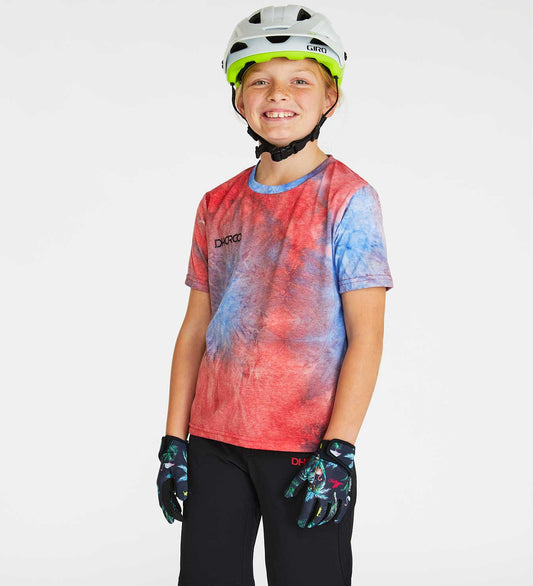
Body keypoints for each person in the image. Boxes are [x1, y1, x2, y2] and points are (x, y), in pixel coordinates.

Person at [157, 5, 394, 585]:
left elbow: (366, 336)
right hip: (214, 441)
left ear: (330, 97)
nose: (278, 94)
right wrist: (173, 439)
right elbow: (195, 330)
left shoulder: (348, 199)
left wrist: (339, 449)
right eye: (259, 80)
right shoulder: (217, 204)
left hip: (306, 448)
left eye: (299, 80)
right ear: (239, 99)